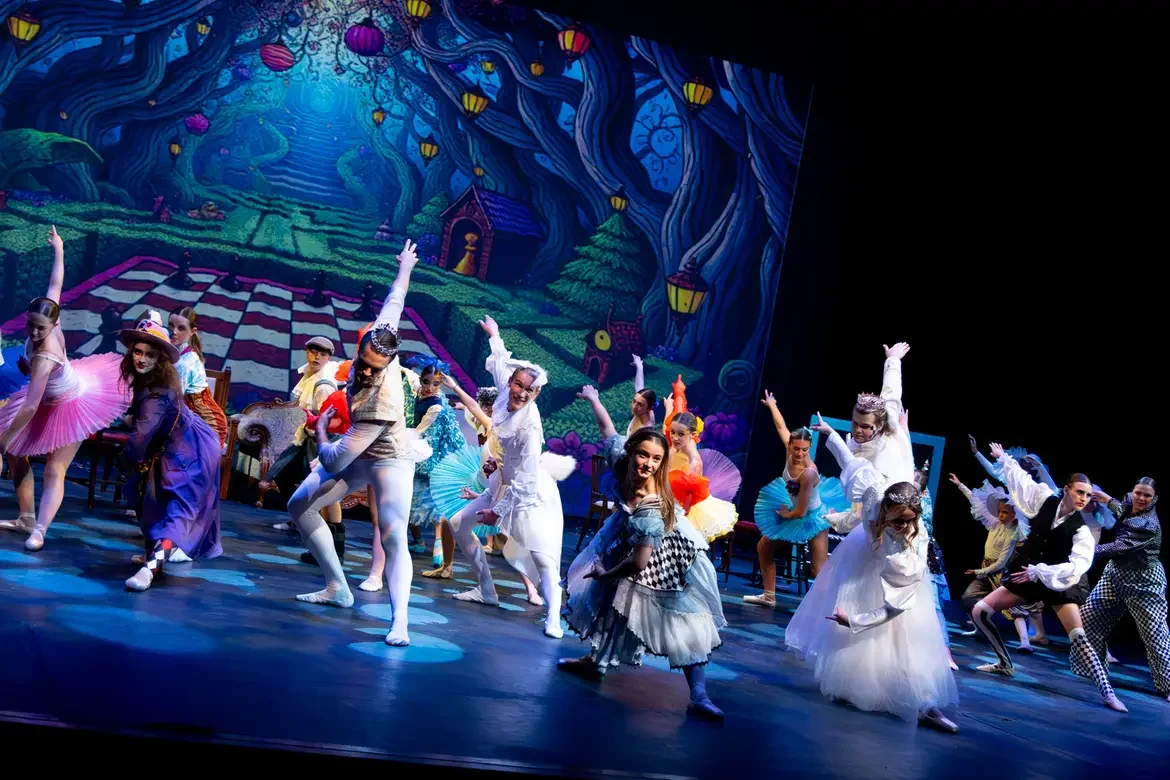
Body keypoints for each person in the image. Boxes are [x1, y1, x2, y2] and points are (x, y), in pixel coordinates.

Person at [282, 240, 421, 648]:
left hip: (389, 458)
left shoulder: (383, 398)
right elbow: (396, 300)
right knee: (297, 504)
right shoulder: (382, 338)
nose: (366, 372)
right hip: (357, 447)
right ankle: (337, 587)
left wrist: (322, 429)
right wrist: (405, 266)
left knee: (393, 534)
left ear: (388, 364)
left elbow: (338, 456)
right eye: (363, 362)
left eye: (375, 369)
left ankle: (400, 623)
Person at [784, 414, 959, 733]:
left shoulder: (910, 551)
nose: (903, 527)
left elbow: (895, 606)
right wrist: (832, 436)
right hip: (864, 558)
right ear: (883, 513)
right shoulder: (876, 494)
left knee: (907, 633)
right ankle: (853, 683)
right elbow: (851, 465)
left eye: (908, 521)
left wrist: (856, 622)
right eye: (896, 521)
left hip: (895, 579)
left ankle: (924, 702)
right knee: (854, 614)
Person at [562, 385, 726, 721]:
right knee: (609, 600)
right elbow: (608, 430)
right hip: (629, 536)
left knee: (681, 619)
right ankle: (595, 661)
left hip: (667, 555)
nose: (648, 464)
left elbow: (639, 562)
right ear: (632, 450)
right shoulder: (622, 462)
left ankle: (698, 693)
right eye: (643, 455)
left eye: (656, 459)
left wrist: (606, 572)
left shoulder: (653, 506)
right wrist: (595, 399)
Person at [968, 444, 1126, 712]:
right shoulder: (1045, 499)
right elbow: (1022, 482)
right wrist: (1004, 459)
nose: (1083, 498)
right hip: (1028, 574)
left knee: (1078, 635)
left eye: (1087, 495)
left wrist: (1042, 571)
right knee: (980, 611)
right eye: (1079, 492)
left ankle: (1108, 692)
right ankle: (1005, 664)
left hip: (1059, 582)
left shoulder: (1082, 531)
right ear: (1066, 489)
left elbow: (1079, 565)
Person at [0, 226, 131, 550]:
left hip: (73, 401)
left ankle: (39, 531)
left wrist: (5, 439)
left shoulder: (45, 354)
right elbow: (55, 284)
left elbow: (30, 406)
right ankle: (26, 517)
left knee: (55, 468)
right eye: (30, 324)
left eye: (39, 328)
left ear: (55, 325)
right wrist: (58, 248)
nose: (32, 332)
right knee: (18, 456)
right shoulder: (48, 311)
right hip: (46, 398)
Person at [448, 316, 573, 639]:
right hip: (501, 481)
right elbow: (500, 363)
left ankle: (553, 617)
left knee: (543, 558)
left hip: (528, 494)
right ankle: (486, 589)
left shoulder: (531, 427)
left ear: (537, 393)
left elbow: (526, 480)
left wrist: (498, 512)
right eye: (518, 385)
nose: (521, 393)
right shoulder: (507, 390)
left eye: (529, 390)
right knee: (458, 524)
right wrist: (495, 335)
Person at [117, 314, 223, 591]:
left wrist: (126, 458)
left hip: (192, 453)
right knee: (151, 502)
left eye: (149, 354)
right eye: (137, 352)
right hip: (168, 448)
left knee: (176, 512)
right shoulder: (147, 380)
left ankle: (149, 571)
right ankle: (154, 555)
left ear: (160, 358)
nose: (141, 359)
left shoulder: (160, 390)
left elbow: (142, 433)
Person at [747, 390, 847, 607]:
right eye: (795, 448)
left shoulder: (809, 472)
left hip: (812, 516)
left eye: (804, 449)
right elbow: (781, 426)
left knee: (818, 568)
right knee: (764, 547)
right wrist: (772, 405)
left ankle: (832, 607)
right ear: (790, 445)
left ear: (809, 448)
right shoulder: (789, 452)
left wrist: (785, 514)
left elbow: (801, 512)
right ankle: (769, 596)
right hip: (796, 511)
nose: (799, 453)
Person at [1076, 478, 1169, 701]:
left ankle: (1167, 685)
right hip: (1115, 575)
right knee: (1088, 618)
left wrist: (1084, 549)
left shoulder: (1148, 525)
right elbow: (1122, 509)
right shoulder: (1130, 503)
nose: (1141, 498)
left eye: (1147, 496)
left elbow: (1119, 546)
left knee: (1154, 635)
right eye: (1138, 493)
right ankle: (1094, 668)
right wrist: (1108, 499)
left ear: (1155, 499)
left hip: (1144, 582)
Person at [268, 336, 345, 564]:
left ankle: (330, 549)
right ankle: (320, 542)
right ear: (307, 353)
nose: (317, 356)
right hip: (311, 440)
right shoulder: (309, 377)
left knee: (326, 495)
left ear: (328, 358)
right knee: (289, 477)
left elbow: (329, 419)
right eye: (313, 352)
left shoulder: (323, 384)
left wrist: (320, 440)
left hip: (322, 443)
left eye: (322, 354)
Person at [948, 473, 1040, 653]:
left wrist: (978, 572)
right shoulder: (994, 523)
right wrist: (960, 485)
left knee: (1012, 608)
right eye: (999, 511)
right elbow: (976, 502)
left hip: (998, 572)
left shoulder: (1012, 533)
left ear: (1014, 514)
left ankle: (1025, 641)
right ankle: (979, 628)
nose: (1001, 515)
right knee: (967, 598)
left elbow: (1000, 563)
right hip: (984, 568)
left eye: (1005, 512)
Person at [401, 356, 464, 565]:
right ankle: (418, 541)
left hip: (429, 454)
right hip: (414, 452)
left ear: (442, 384)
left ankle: (438, 543)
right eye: (426, 381)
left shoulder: (436, 405)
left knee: (434, 502)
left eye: (436, 384)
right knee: (409, 502)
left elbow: (420, 431)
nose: (429, 387)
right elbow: (407, 373)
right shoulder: (415, 390)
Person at [168, 306, 228, 446]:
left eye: (181, 328)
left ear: (192, 332)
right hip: (188, 418)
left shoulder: (186, 363)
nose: (174, 332)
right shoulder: (174, 352)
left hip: (209, 425)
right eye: (171, 325)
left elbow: (174, 403)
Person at [627, 354, 656, 436]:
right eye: (634, 401)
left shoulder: (644, 431)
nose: (634, 406)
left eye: (640, 404)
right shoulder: (642, 411)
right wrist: (639, 366)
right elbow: (639, 387)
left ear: (650, 408)